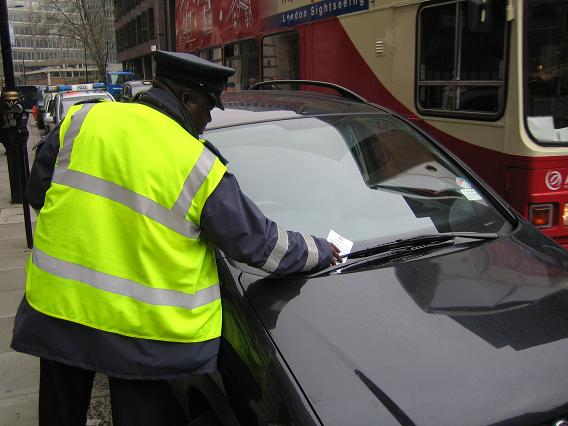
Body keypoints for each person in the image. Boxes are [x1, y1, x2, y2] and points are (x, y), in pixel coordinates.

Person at [11, 51, 342, 426]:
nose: (208, 120)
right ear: (186, 99)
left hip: (59, 308)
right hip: (139, 332)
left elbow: (39, 193)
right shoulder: (195, 162)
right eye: (208, 108)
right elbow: (257, 243)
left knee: (58, 415)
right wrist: (318, 249)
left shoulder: (84, 119)